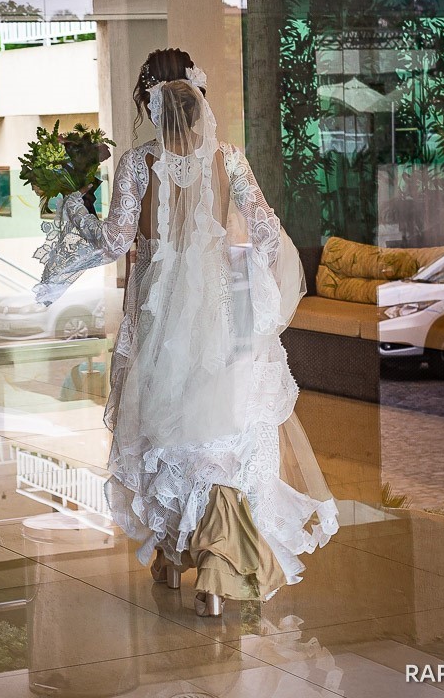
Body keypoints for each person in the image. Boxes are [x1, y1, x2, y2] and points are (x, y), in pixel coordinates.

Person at [32, 48, 338, 617]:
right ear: (198, 96)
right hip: (221, 315)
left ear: (150, 101)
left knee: (164, 434)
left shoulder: (137, 165)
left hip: (158, 321)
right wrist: (255, 293)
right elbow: (269, 235)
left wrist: (73, 201)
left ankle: (172, 559)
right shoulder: (230, 160)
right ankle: (216, 572)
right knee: (218, 431)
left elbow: (115, 243)